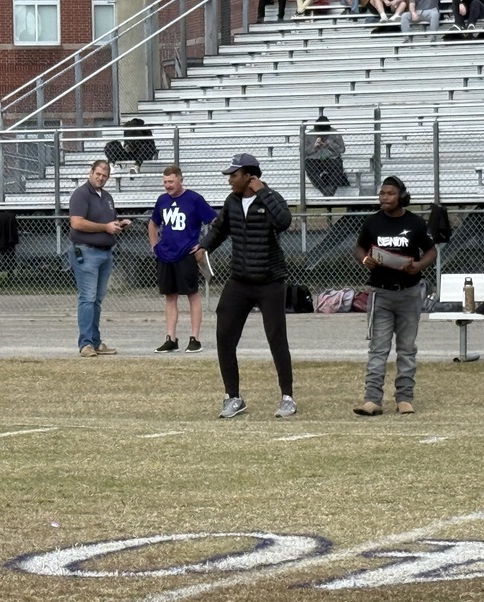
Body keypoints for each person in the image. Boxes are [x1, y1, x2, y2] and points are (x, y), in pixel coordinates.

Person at [195, 153, 296, 419]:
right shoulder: (232, 202)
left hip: (269, 281)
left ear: (250, 176)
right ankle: (233, 397)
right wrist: (204, 247)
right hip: (239, 280)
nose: (230, 180)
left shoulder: (269, 198)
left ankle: (287, 396)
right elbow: (219, 229)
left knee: (277, 338)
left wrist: (263, 192)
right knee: (224, 336)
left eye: (234, 174)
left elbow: (284, 221)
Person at [352, 176, 437, 416]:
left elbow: (431, 251)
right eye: (382, 194)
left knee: (407, 348)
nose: (384, 198)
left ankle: (405, 398)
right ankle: (372, 399)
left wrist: (419, 265)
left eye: (390, 194)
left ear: (401, 196)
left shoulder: (416, 223)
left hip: (409, 294)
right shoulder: (372, 223)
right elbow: (359, 248)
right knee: (378, 348)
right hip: (381, 294)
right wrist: (365, 259)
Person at [148, 165, 217, 353]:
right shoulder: (162, 201)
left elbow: (215, 221)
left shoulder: (194, 199)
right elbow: (153, 224)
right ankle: (171, 338)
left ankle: (195, 338)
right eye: (165, 182)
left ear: (180, 180)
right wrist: (155, 246)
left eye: (170, 181)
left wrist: (203, 245)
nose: (167, 186)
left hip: (186, 254)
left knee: (192, 295)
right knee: (170, 297)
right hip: (165, 255)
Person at [68, 160, 131, 358]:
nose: (101, 178)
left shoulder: (107, 197)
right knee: (87, 297)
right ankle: (85, 343)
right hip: (86, 251)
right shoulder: (81, 194)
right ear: (91, 172)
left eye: (104, 175)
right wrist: (105, 228)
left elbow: (108, 222)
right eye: (98, 174)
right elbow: (77, 223)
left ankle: (95, 341)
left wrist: (118, 225)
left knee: (97, 299)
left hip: (105, 252)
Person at [304, 116, 350, 196]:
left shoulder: (334, 133)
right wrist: (314, 147)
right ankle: (324, 189)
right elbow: (303, 151)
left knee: (337, 165)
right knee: (308, 165)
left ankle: (331, 188)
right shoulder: (309, 134)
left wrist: (330, 145)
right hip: (315, 159)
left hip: (331, 158)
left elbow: (342, 149)